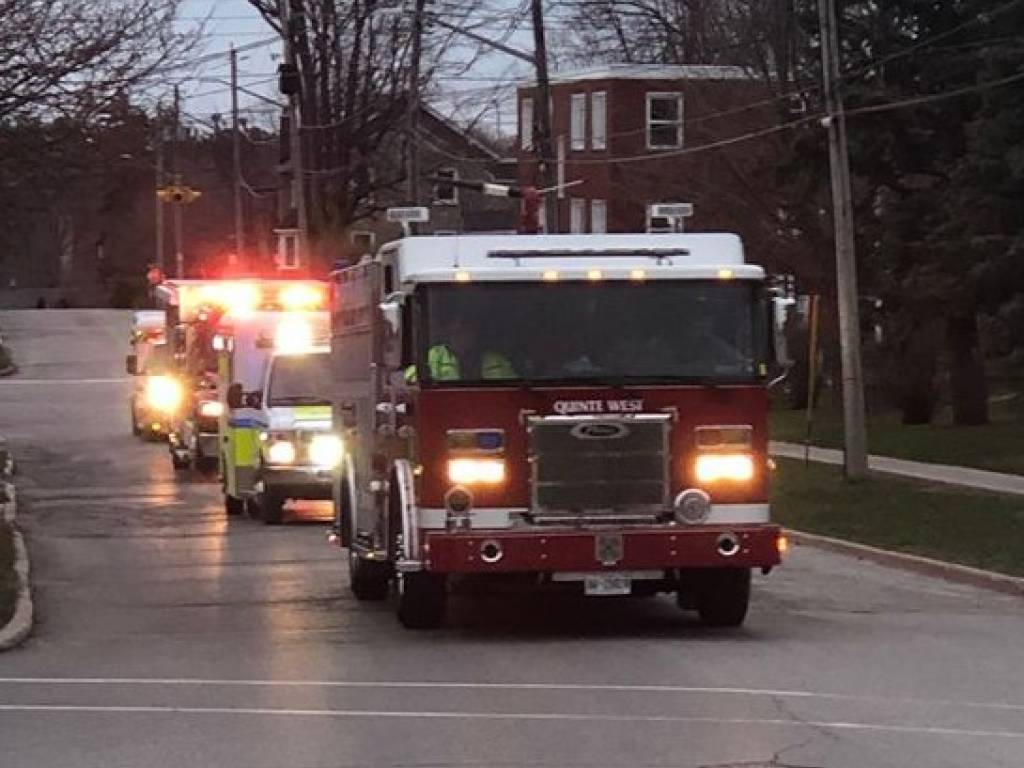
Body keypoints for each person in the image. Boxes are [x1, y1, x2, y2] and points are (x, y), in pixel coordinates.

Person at [406, 315, 515, 382]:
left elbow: (512, 387)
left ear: (474, 334)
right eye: (455, 333)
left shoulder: (494, 360)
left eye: (465, 332)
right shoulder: (434, 356)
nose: (460, 337)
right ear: (448, 335)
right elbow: (411, 381)